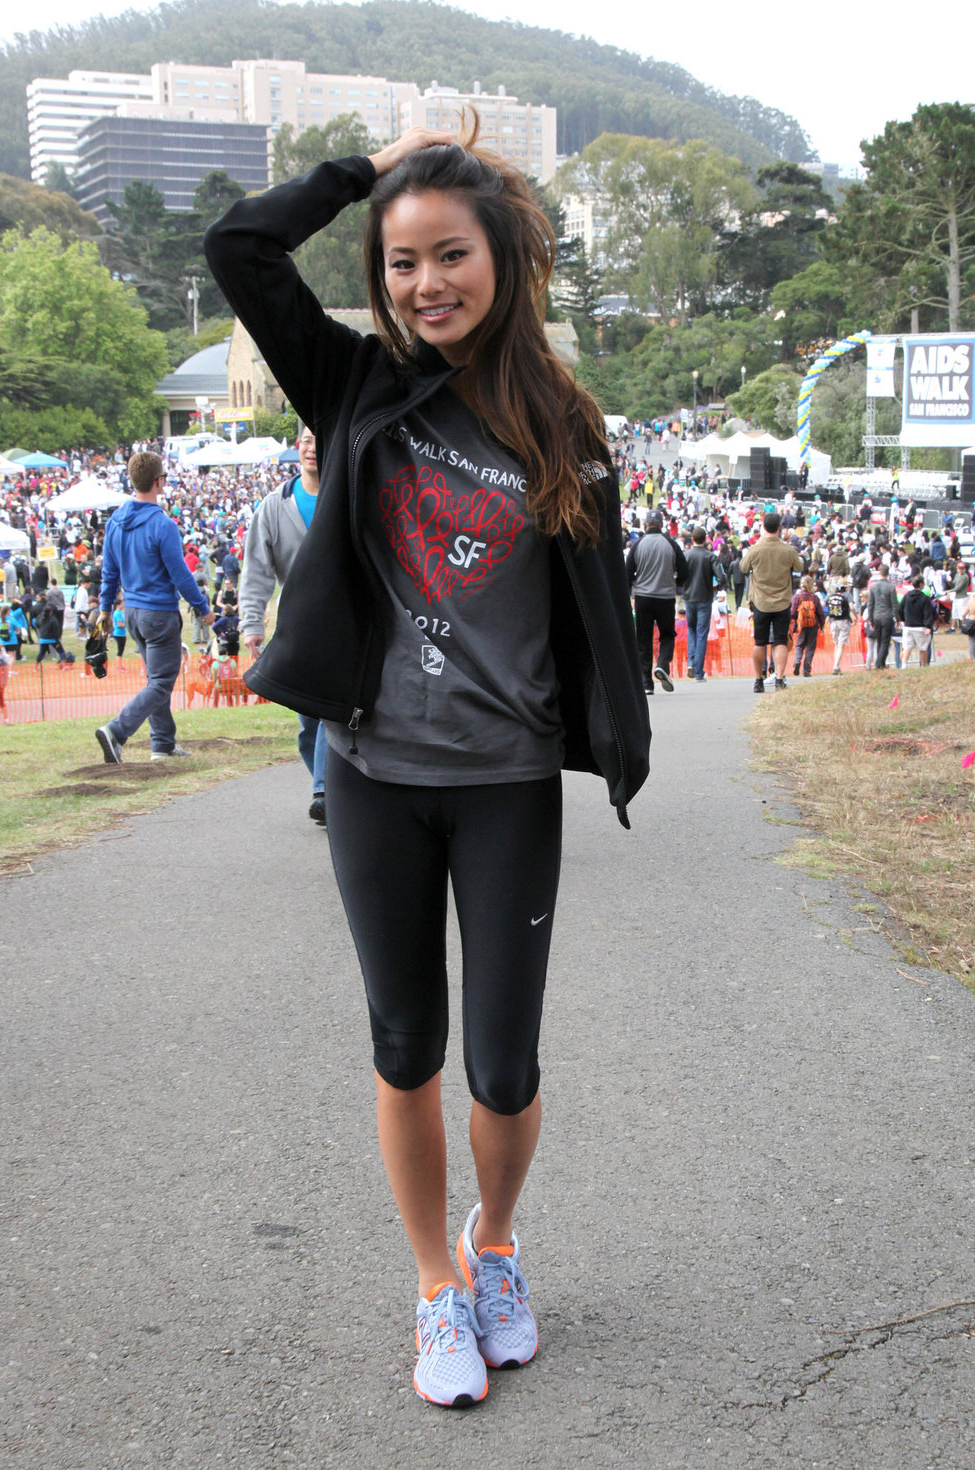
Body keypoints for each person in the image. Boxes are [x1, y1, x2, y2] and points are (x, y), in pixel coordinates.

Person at [206, 123, 650, 1407]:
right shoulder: (348, 384)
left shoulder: (558, 419)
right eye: (399, 263)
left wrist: (611, 734)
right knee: (406, 1048)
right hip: (373, 775)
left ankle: (494, 1247)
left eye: (449, 254)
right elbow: (239, 246)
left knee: (503, 1068)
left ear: (502, 260)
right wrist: (363, 171)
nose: (423, 285)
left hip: (504, 781)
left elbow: (592, 609)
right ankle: (431, 1288)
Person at [95, 451, 214, 763]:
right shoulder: (163, 525)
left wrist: (105, 609)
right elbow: (181, 577)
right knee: (161, 683)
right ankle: (116, 731)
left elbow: (109, 572)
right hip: (159, 613)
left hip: (131, 612)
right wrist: (203, 608)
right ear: (159, 482)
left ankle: (162, 743)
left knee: (155, 680)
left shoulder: (115, 522)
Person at [240, 425, 330, 822]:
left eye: (320, 440)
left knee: (331, 710)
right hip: (296, 627)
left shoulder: (344, 496)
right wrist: (251, 624)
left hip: (343, 622)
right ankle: (325, 783)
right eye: (307, 441)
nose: (313, 449)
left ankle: (325, 790)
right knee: (308, 722)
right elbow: (256, 570)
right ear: (298, 448)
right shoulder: (273, 508)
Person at [739, 511, 803, 692]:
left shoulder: (755, 549)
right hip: (782, 601)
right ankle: (780, 679)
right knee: (780, 641)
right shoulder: (787, 550)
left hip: (760, 602)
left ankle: (759, 679)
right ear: (780, 528)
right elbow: (799, 566)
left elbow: (743, 567)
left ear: (763, 527)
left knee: (760, 642)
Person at [625, 508, 686, 692]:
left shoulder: (638, 545)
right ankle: (662, 665)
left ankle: (646, 683)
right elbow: (684, 570)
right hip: (665, 597)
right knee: (667, 635)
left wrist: (632, 590)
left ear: (645, 525)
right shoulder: (671, 544)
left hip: (643, 597)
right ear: (661, 525)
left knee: (643, 639)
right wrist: (676, 584)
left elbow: (627, 573)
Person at [681, 525, 726, 682]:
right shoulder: (710, 557)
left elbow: (678, 576)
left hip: (689, 598)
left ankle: (691, 663)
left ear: (692, 539)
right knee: (701, 634)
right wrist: (715, 588)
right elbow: (722, 577)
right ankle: (698, 671)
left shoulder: (685, 556)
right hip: (705, 598)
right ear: (705, 539)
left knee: (691, 630)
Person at [790, 574, 825, 677]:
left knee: (799, 645)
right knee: (810, 647)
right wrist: (822, 625)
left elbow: (792, 613)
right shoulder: (814, 597)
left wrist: (795, 622)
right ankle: (806, 669)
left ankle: (797, 661)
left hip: (801, 625)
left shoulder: (797, 597)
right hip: (813, 625)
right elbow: (820, 613)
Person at [899, 574, 936, 667]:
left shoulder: (907, 596)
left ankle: (904, 665)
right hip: (920, 627)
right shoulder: (925, 598)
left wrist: (904, 620)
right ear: (921, 584)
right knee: (923, 648)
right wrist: (928, 626)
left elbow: (900, 610)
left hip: (908, 626)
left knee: (907, 647)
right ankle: (923, 666)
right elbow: (928, 613)